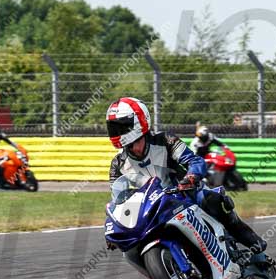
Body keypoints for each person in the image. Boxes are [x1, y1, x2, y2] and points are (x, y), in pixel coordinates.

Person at [106, 97, 265, 253]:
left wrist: (190, 178)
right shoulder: (117, 165)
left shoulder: (165, 140)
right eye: (115, 128)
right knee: (131, 250)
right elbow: (119, 201)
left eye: (123, 127)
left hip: (185, 194)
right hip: (153, 210)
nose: (119, 133)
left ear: (140, 121)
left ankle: (250, 240)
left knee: (216, 201)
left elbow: (196, 161)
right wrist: (117, 229)